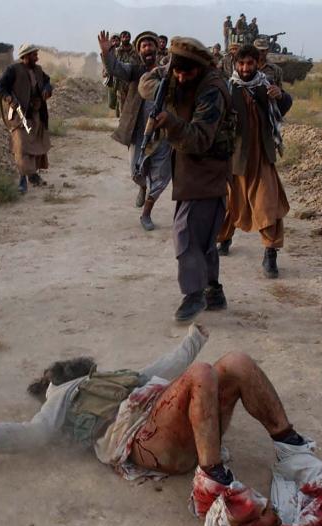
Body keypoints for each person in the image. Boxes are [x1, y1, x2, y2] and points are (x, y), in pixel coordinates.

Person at [0, 324, 322, 526]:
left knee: (234, 362)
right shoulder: (61, 396)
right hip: (143, 438)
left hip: (174, 419)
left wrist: (194, 338)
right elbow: (30, 435)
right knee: (202, 373)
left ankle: (290, 449)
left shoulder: (110, 377)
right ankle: (210, 481)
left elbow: (162, 367)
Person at [139, 38, 233, 322]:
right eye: (176, 72)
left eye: (186, 73)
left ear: (201, 68)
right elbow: (145, 85)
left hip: (207, 168)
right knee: (202, 237)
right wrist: (166, 79)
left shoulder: (212, 90)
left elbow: (200, 138)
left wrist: (170, 121)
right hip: (190, 170)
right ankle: (213, 290)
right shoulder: (177, 76)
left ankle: (194, 295)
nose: (181, 77)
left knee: (185, 234)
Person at [217, 44, 293, 279]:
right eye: (241, 64)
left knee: (267, 204)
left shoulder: (265, 86)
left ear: (256, 63)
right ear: (235, 64)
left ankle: (270, 254)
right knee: (231, 203)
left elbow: (282, 107)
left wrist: (281, 96)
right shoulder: (229, 89)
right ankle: (224, 239)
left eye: (250, 63)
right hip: (236, 159)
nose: (245, 68)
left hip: (262, 157)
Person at [98, 30, 171, 232]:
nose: (147, 48)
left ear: (157, 48)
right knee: (136, 171)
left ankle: (146, 213)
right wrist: (106, 54)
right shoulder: (135, 71)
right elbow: (114, 67)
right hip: (138, 131)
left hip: (164, 132)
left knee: (161, 174)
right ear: (139, 51)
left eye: (150, 44)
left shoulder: (167, 72)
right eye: (143, 46)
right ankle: (142, 186)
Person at [0, 44, 53, 194]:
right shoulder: (13, 70)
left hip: (36, 114)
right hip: (19, 115)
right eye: (34, 55)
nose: (37, 57)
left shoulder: (38, 70)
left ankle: (32, 176)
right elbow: (0, 86)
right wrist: (9, 98)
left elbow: (48, 82)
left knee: (34, 146)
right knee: (21, 147)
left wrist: (47, 89)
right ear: (26, 56)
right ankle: (24, 179)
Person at [104, 34, 121, 117]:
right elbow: (105, 64)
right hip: (111, 79)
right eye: (113, 40)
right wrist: (105, 72)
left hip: (121, 78)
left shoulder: (121, 51)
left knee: (120, 98)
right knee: (111, 103)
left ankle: (120, 116)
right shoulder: (108, 52)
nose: (115, 42)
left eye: (117, 40)